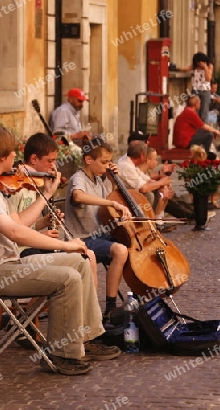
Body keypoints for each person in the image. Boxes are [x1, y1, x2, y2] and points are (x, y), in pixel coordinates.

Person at [0, 126, 120, 376]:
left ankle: (84, 340)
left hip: (9, 265)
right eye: (12, 153)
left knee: (79, 261)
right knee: (68, 278)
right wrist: (66, 243)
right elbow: (15, 233)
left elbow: (19, 222)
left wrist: (45, 194)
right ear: (1, 156)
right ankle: (61, 353)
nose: (15, 158)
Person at [6, 132, 98, 289]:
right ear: (34, 159)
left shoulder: (34, 183)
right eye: (50, 161)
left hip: (30, 247)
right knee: (86, 258)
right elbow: (12, 231)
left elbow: (26, 223)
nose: (54, 167)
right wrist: (41, 235)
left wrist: (44, 222)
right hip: (19, 253)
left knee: (89, 256)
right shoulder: (15, 186)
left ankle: (88, 310)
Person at [64, 136, 131, 320]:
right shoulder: (78, 178)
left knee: (131, 246)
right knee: (120, 250)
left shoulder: (100, 180)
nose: (107, 166)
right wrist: (110, 202)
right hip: (82, 239)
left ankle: (138, 299)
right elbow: (78, 196)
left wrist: (113, 179)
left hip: (99, 237)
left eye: (109, 162)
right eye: (104, 162)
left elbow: (110, 205)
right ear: (88, 160)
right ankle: (110, 306)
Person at [117, 142, 175, 232]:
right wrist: (160, 182)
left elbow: (146, 179)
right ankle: (149, 224)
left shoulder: (131, 163)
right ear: (142, 156)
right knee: (149, 194)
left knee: (160, 189)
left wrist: (162, 183)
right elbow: (143, 188)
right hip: (124, 195)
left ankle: (156, 221)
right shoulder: (126, 166)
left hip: (132, 192)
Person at [180, 52, 213, 123]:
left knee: (204, 111)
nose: (199, 64)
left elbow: (208, 78)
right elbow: (186, 69)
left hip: (205, 90)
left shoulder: (209, 66)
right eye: (197, 62)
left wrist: (205, 68)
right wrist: (176, 68)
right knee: (195, 110)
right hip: (195, 90)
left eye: (200, 62)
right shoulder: (195, 66)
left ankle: (204, 129)